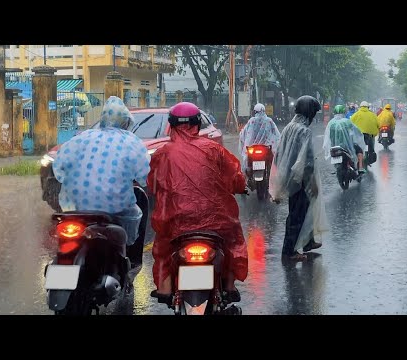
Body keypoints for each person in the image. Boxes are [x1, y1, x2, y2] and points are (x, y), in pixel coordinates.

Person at [148, 102, 248, 302]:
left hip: (176, 224)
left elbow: (153, 185)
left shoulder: (162, 153)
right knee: (232, 240)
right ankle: (229, 286)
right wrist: (239, 187)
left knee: (163, 247)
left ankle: (165, 290)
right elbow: (235, 177)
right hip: (216, 223)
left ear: (172, 125)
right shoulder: (214, 149)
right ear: (198, 124)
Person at [52, 96, 151, 246]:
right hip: (115, 210)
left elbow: (59, 168)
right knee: (135, 214)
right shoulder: (131, 141)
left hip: (76, 208)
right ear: (125, 121)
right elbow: (144, 175)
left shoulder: (82, 137)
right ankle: (127, 252)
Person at [269, 95, 329, 261]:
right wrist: (312, 183)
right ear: (309, 112)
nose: (314, 117)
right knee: (297, 213)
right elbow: (307, 161)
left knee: (304, 209)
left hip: (288, 176)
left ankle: (308, 242)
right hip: (300, 179)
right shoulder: (304, 131)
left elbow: (279, 153)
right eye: (313, 113)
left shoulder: (289, 127)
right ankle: (289, 251)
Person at [239, 103, 281, 178]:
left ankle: (248, 173)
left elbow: (244, 133)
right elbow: (276, 134)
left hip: (252, 147)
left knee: (247, 160)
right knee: (273, 160)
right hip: (266, 147)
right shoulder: (269, 120)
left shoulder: (252, 121)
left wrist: (241, 134)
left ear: (255, 112)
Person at [323, 104, 367, 174]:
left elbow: (327, 136)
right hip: (347, 146)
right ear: (344, 112)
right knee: (360, 151)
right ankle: (360, 167)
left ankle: (337, 167)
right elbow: (355, 132)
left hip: (334, 146)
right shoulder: (347, 121)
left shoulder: (330, 123)